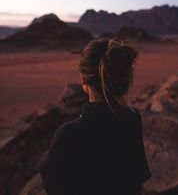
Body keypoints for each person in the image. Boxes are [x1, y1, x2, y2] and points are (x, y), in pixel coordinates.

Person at [40, 37, 151, 195]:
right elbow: (136, 179)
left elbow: (54, 186)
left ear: (83, 79)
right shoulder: (132, 118)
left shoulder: (68, 135)